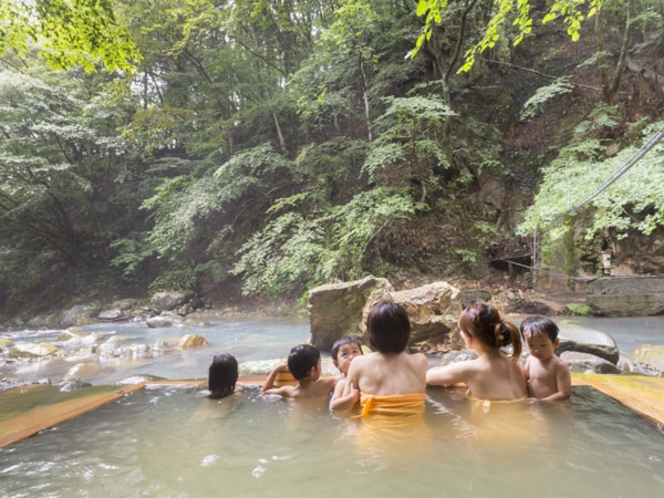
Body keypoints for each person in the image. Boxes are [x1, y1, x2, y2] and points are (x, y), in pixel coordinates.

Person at [426, 302, 527, 402]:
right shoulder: (516, 364)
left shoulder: (469, 369)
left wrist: (456, 375)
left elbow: (426, 377)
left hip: (491, 418)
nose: (461, 334)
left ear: (471, 335)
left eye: (462, 330)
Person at [341, 301, 428, 415]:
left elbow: (345, 409)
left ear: (372, 333)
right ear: (406, 331)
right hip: (418, 432)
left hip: (372, 432)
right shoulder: (420, 361)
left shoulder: (358, 364)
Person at [520, 316, 572, 401]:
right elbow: (524, 377)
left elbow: (564, 394)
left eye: (543, 345)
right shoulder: (531, 358)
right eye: (531, 345)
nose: (536, 350)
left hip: (552, 406)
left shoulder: (559, 366)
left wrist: (542, 401)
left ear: (556, 343)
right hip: (534, 403)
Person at [262, 344, 338, 399]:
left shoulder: (288, 391)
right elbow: (345, 377)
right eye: (319, 363)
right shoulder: (324, 385)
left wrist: (276, 370)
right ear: (312, 371)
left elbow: (265, 391)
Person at [329, 336, 363, 412]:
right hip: (349, 420)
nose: (351, 357)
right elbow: (333, 406)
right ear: (336, 363)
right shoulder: (343, 383)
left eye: (355, 352)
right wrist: (352, 398)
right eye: (345, 354)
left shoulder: (366, 377)